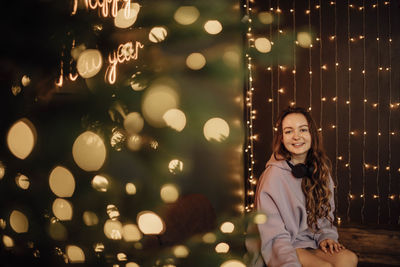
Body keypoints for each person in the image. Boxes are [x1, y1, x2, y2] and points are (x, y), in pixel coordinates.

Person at [255, 107, 358, 267]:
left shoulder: (319, 168)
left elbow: (324, 215)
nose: (296, 136)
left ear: (312, 135)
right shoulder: (272, 177)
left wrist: (326, 236)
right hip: (284, 245)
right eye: (289, 131)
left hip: (311, 242)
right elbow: (274, 235)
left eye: (303, 129)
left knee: (348, 259)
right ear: (282, 138)